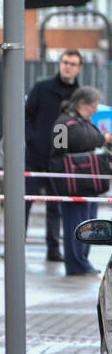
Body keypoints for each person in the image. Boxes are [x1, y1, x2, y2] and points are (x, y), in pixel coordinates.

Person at [48, 85, 112, 277]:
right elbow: (75, 143)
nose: (95, 110)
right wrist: (103, 139)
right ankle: (76, 263)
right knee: (76, 224)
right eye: (93, 105)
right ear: (82, 103)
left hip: (87, 183)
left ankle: (82, 261)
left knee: (88, 223)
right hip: (74, 183)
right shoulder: (64, 122)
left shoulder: (83, 122)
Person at [25, 49, 82, 262]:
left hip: (61, 159)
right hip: (35, 155)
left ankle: (53, 249)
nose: (67, 66)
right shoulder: (42, 88)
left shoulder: (79, 95)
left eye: (72, 63)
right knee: (24, 202)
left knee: (55, 205)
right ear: (60, 63)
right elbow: (27, 115)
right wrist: (32, 139)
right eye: (65, 62)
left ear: (79, 68)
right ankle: (15, 246)